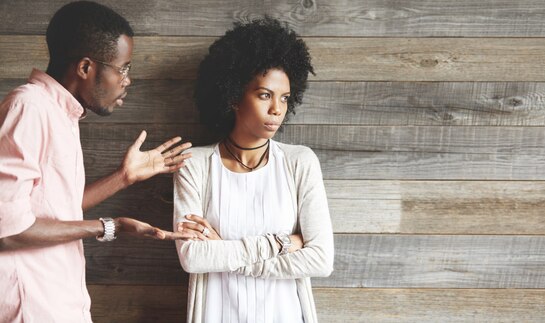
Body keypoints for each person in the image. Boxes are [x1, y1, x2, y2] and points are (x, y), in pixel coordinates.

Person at [0, 2, 195, 322]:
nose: (127, 80)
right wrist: (109, 227)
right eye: (123, 68)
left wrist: (124, 177)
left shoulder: (59, 113)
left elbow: (50, 210)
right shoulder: (29, 108)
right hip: (32, 307)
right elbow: (7, 229)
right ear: (86, 67)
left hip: (59, 300)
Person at [173, 17, 334, 323]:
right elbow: (192, 257)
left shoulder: (300, 162)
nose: (277, 109)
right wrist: (280, 244)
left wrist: (227, 255)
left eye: (284, 98)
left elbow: (321, 260)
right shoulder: (194, 164)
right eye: (264, 95)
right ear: (233, 96)